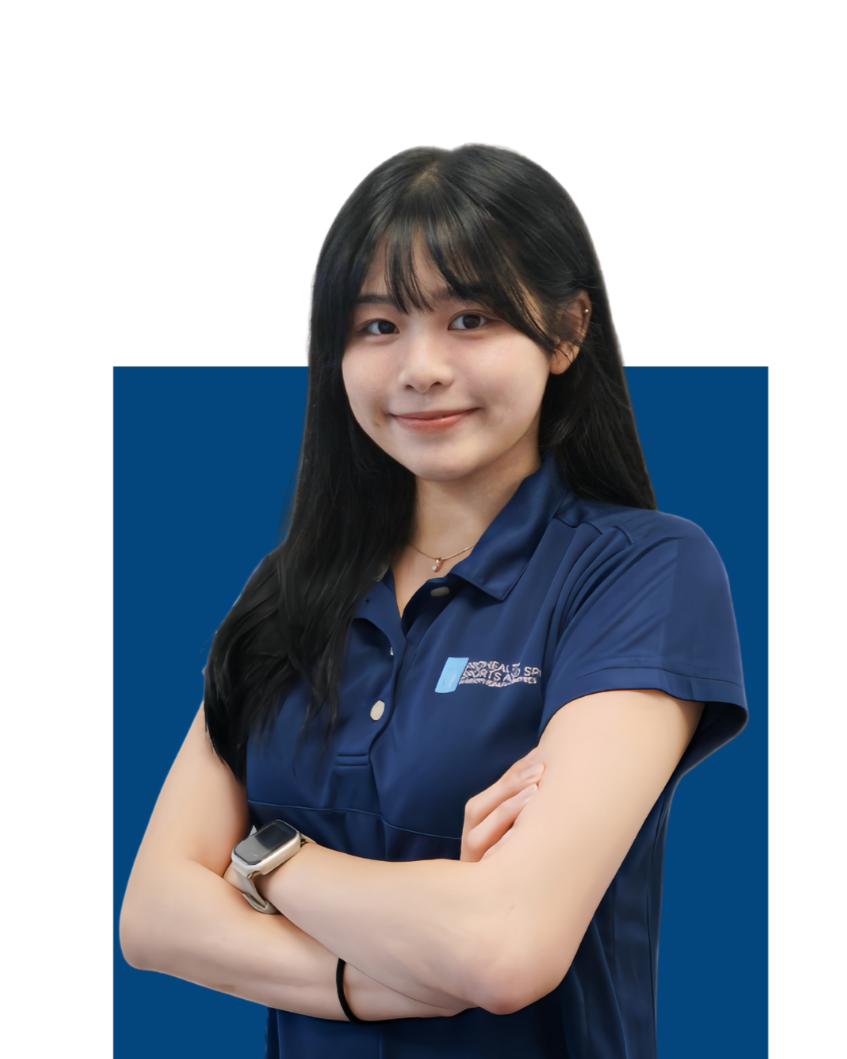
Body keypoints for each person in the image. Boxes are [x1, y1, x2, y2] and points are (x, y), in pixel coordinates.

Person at [120, 144, 748, 1059]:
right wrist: (366, 978)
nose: (419, 367)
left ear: (567, 331)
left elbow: (503, 950)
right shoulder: (290, 588)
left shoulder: (643, 571)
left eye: (470, 317)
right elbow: (152, 915)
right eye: (376, 326)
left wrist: (263, 858)